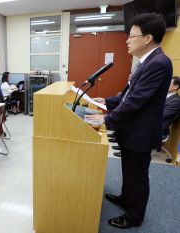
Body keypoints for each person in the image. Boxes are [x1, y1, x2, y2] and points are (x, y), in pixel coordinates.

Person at [85, 13, 172, 229]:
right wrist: (106, 100)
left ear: (147, 38)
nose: (127, 40)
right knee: (129, 171)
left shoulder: (159, 63)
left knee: (137, 177)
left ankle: (134, 217)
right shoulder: (147, 61)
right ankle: (126, 198)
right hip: (132, 131)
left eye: (132, 36)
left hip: (140, 133)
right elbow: (127, 95)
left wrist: (107, 119)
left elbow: (136, 101)